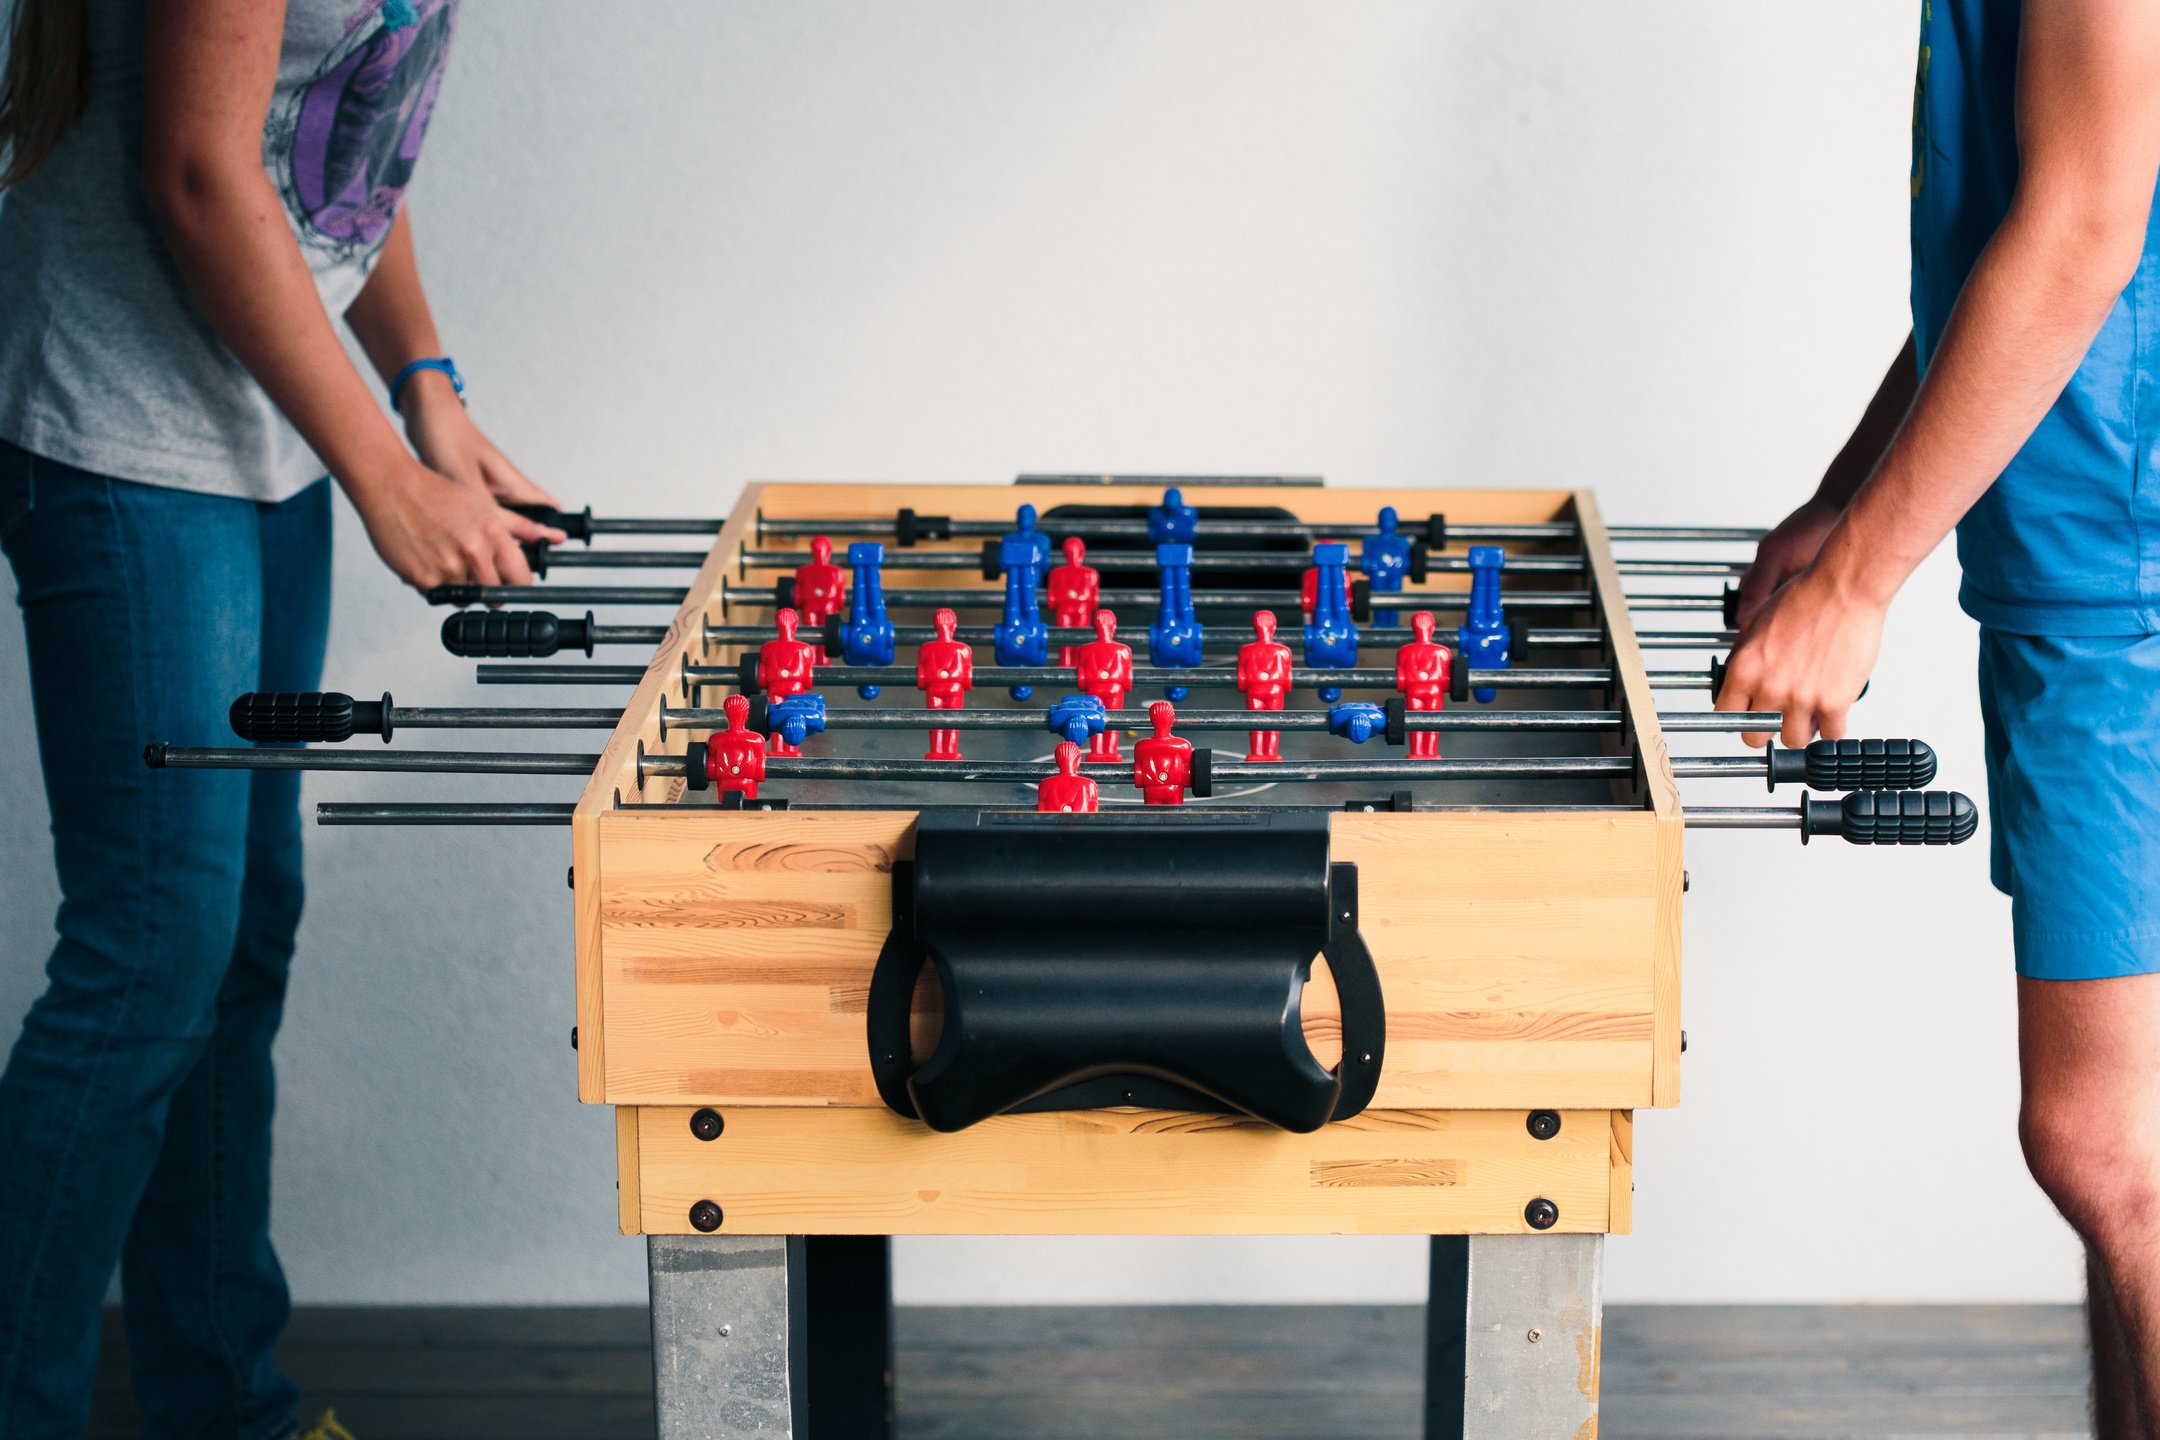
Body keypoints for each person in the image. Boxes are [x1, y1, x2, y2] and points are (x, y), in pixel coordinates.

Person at [0, 0, 562, 1433]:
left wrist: (422, 386)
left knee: (236, 933)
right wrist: (386, 479)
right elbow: (199, 173)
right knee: (152, 957)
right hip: (126, 430)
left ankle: (224, 1406)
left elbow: (338, 163)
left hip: (260, 427)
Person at [1719, 5, 2160, 1431]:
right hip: (2085, 543)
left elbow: (2088, 226)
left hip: (2125, 566)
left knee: (2113, 1152)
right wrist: (1855, 502)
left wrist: (1862, 578)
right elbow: (2006, 248)